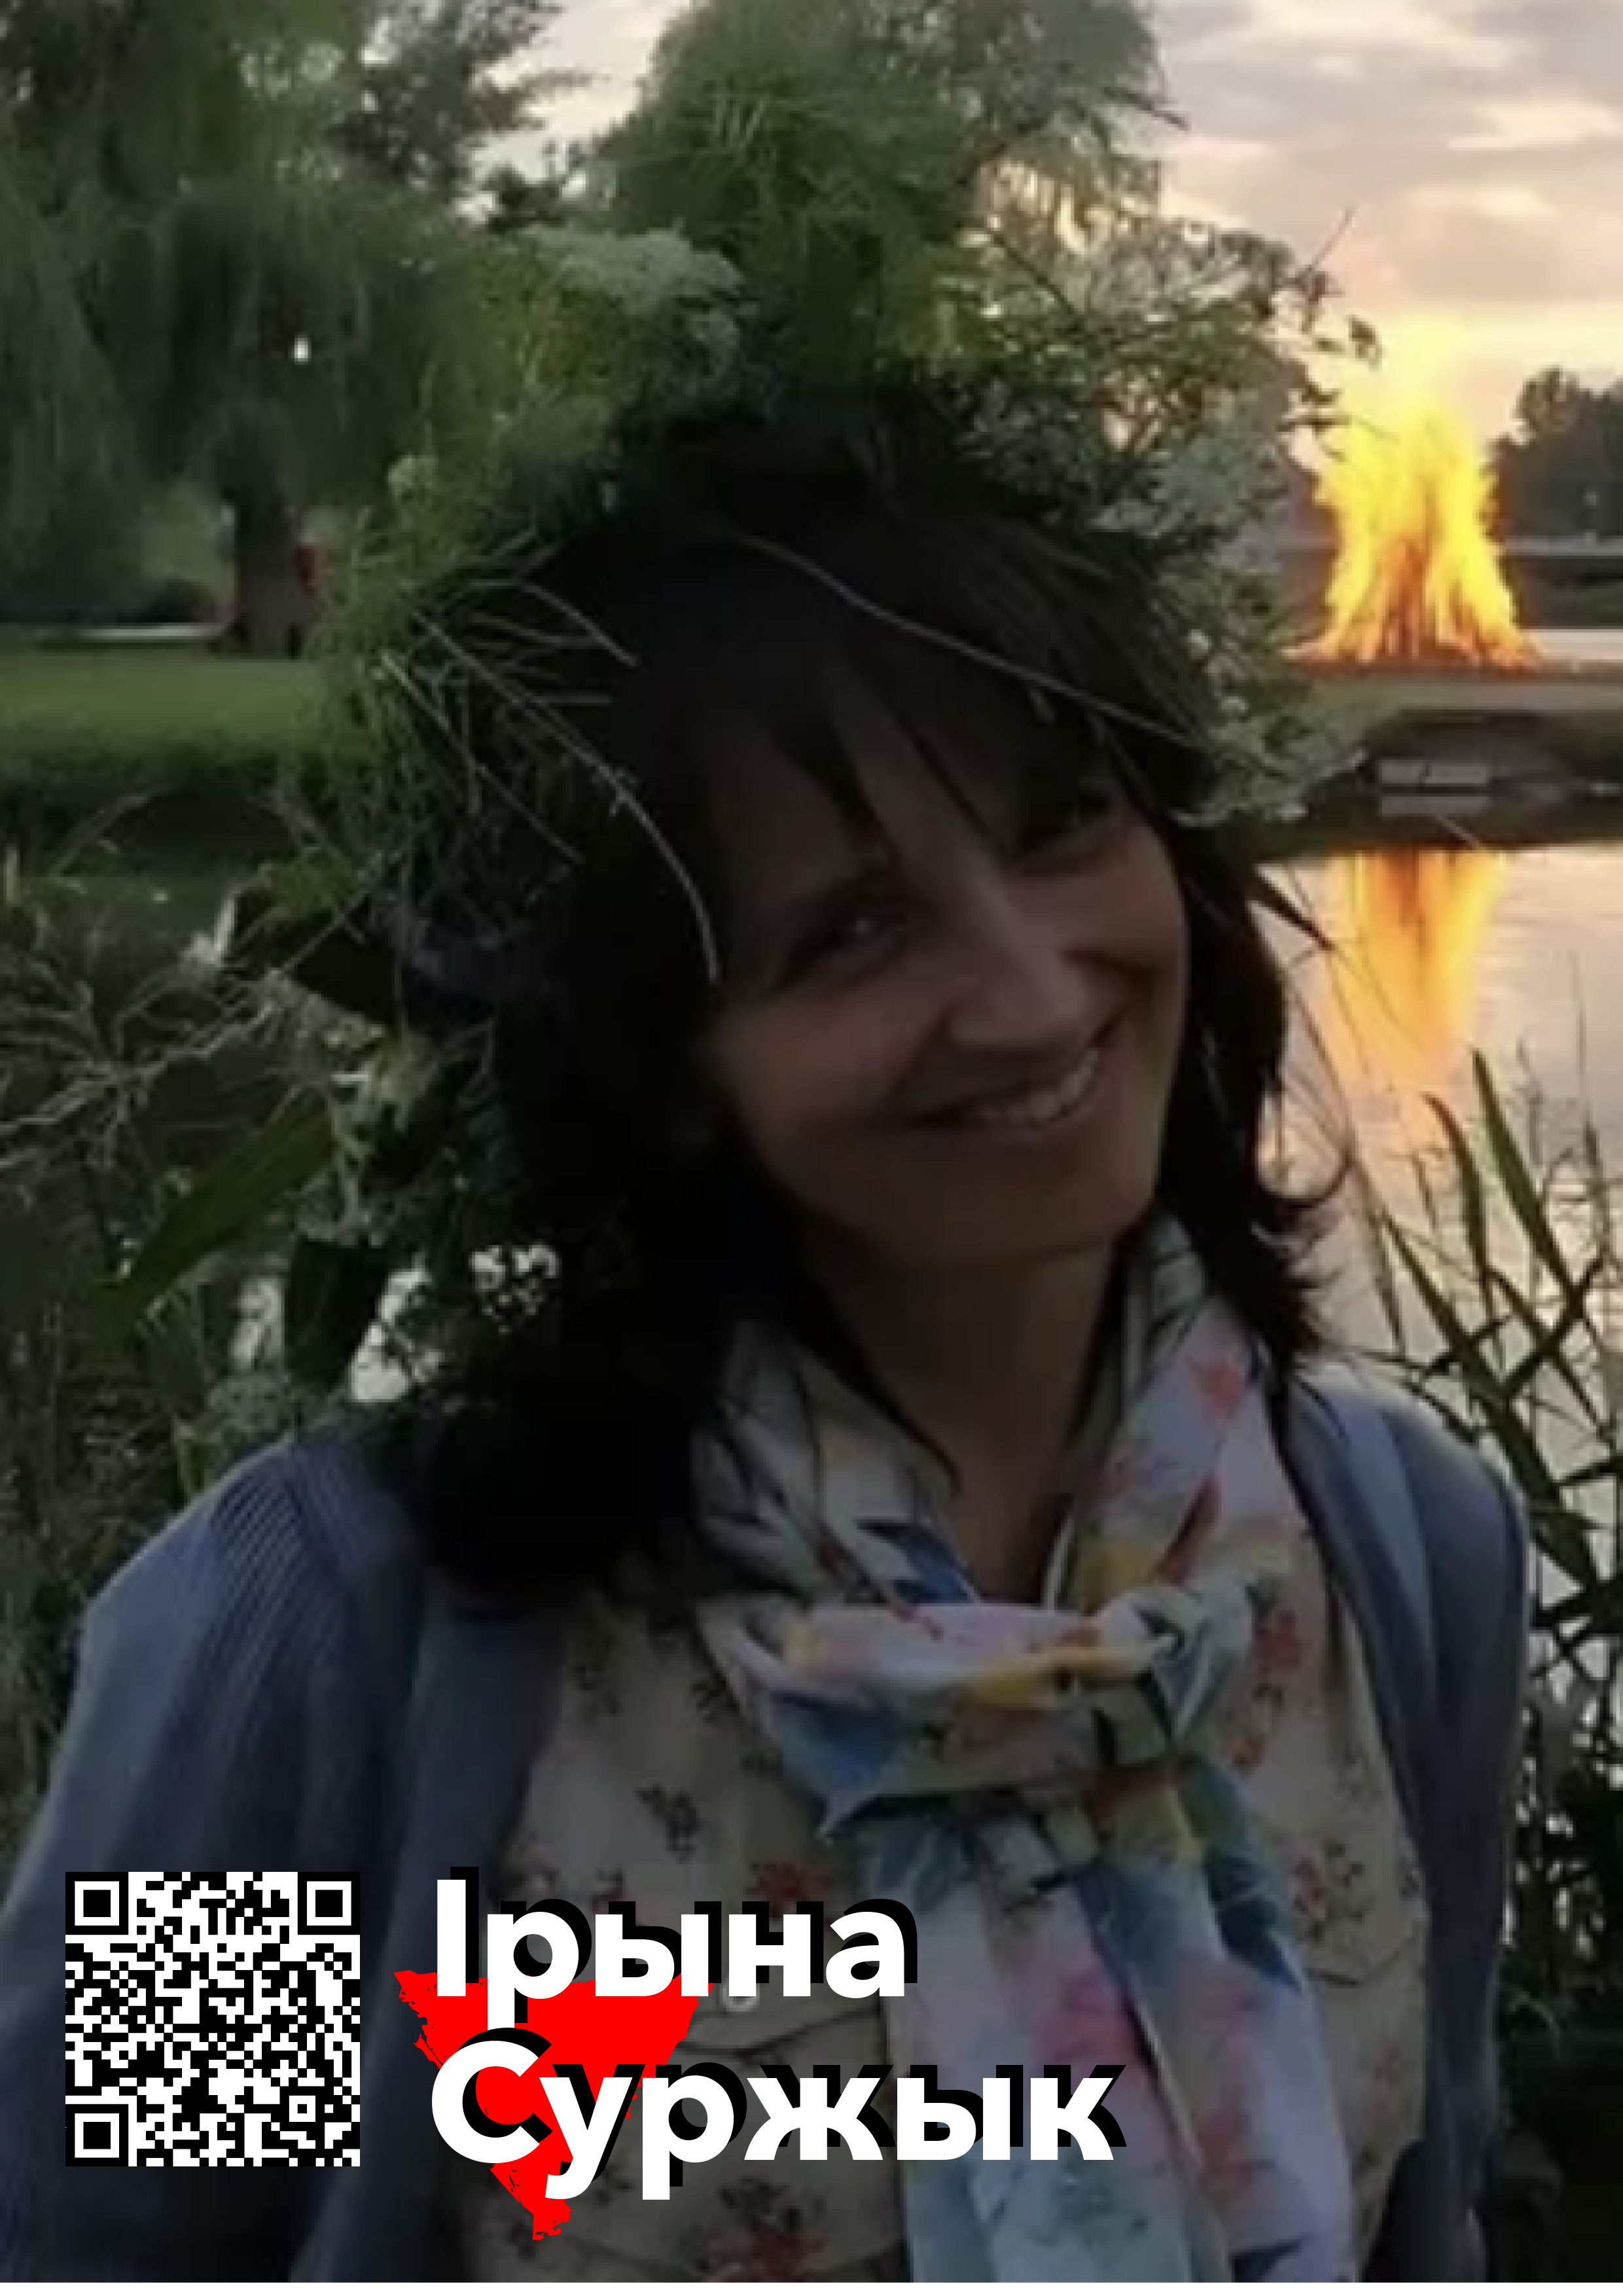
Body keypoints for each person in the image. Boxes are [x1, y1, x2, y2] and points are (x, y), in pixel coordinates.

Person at [0, 395, 1527, 2282]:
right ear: (664, 1074)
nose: (1033, 994)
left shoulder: (1402, 1560)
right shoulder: (321, 1655)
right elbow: (98, 2247)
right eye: (858, 929)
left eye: (1065, 821)